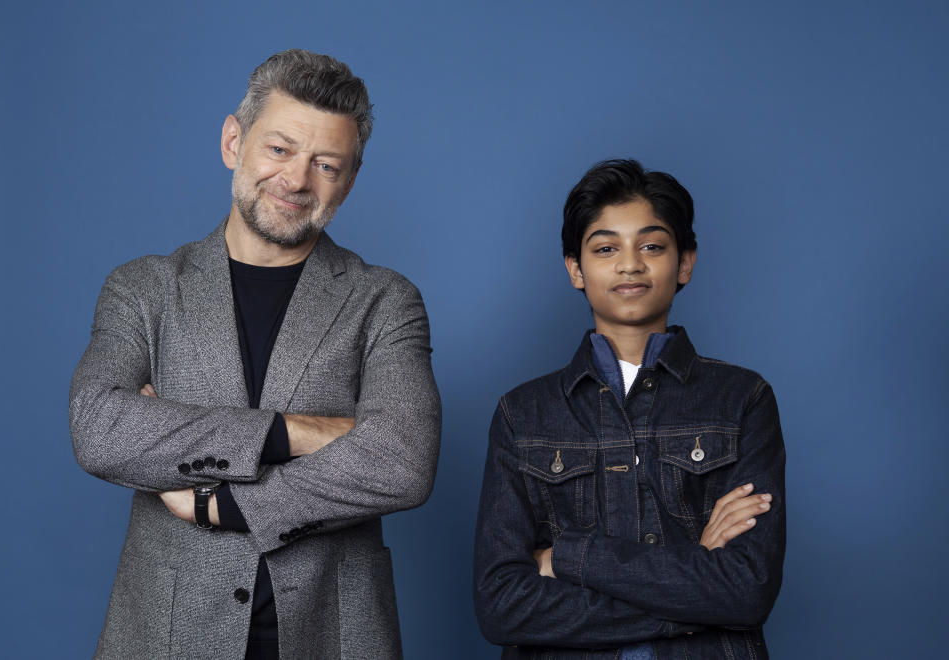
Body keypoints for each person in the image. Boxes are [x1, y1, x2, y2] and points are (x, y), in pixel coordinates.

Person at [69, 49, 441, 660]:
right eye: (279, 149)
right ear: (232, 141)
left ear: (349, 180)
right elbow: (99, 427)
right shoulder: (143, 288)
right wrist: (297, 433)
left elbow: (402, 461)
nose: (297, 180)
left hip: (334, 635)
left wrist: (224, 503)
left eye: (327, 164)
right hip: (167, 635)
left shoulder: (386, 300)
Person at [473, 159, 786, 659]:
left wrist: (567, 556)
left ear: (684, 261)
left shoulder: (741, 399)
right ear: (576, 268)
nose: (630, 264)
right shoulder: (522, 413)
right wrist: (693, 580)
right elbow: (502, 605)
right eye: (605, 248)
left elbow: (746, 591)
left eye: (652, 246)